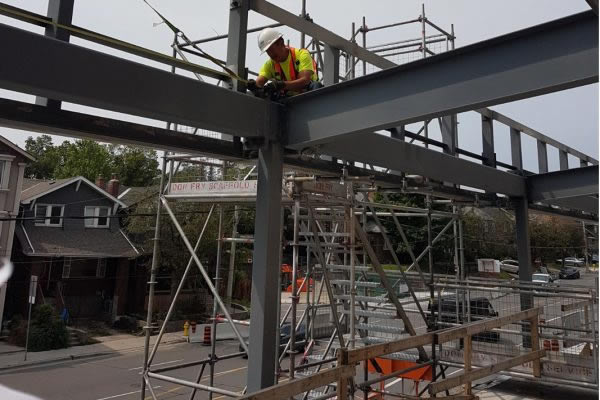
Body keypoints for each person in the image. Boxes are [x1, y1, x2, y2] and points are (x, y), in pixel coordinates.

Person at [247, 28, 322, 98]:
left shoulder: (302, 55)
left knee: (315, 85)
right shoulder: (270, 65)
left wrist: (281, 85)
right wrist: (254, 86)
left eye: (271, 49)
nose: (270, 54)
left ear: (281, 43)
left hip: (308, 95)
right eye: (267, 51)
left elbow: (304, 81)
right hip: (288, 100)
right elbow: (259, 83)